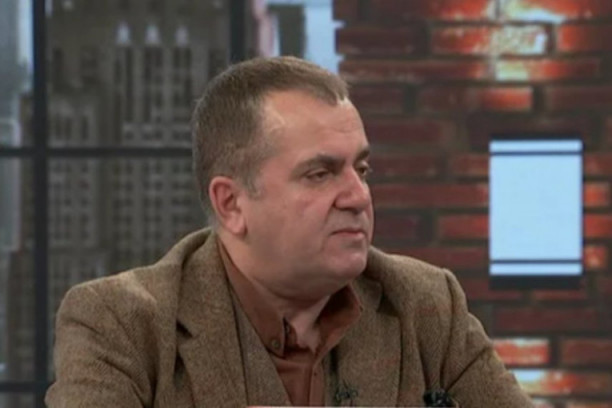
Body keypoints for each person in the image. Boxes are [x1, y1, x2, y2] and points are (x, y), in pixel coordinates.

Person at [46, 56, 533, 407]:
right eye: (320, 174)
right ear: (231, 204)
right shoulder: (121, 323)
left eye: (362, 170)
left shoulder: (426, 304)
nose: (358, 196)